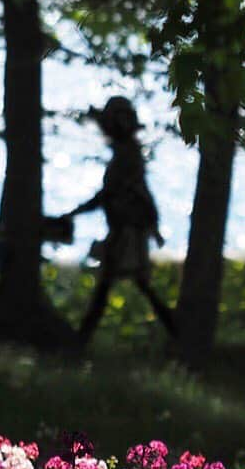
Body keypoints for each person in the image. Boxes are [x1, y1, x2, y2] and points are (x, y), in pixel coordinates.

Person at [62, 96, 177, 342]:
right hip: (127, 227)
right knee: (133, 284)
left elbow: (111, 193)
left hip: (128, 229)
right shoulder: (128, 152)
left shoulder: (127, 155)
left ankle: (81, 340)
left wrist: (75, 212)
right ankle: (177, 331)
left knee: (113, 285)